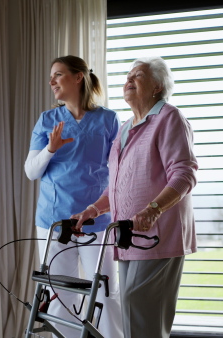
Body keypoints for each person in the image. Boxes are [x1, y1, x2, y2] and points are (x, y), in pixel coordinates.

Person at [71, 56, 198, 338]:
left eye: (137, 76)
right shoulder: (126, 127)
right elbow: (117, 186)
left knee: (141, 314)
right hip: (128, 237)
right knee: (133, 313)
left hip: (157, 235)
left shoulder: (169, 118)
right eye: (128, 75)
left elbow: (184, 174)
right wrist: (91, 210)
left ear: (156, 86)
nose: (128, 80)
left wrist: (154, 208)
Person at [25, 55, 123, 337]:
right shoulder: (48, 120)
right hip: (55, 220)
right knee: (60, 295)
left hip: (98, 219)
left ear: (78, 77)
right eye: (51, 76)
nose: (51, 81)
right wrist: (51, 148)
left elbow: (116, 172)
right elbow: (32, 171)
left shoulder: (108, 119)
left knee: (105, 291)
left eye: (58, 74)